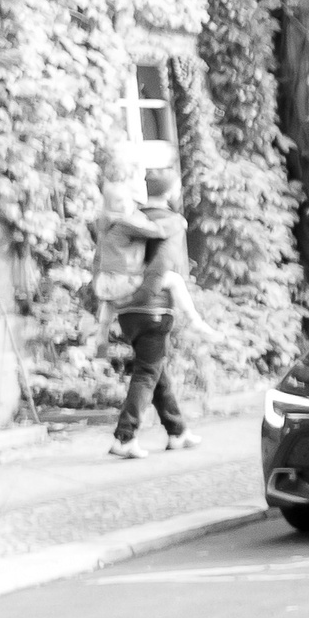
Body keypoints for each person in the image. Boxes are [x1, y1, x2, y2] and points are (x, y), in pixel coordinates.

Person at [93, 171, 208, 460]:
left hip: (125, 309)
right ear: (170, 193)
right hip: (152, 309)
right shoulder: (168, 221)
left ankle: (177, 431)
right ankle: (124, 437)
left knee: (156, 373)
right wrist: (146, 295)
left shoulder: (126, 219)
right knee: (147, 373)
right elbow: (161, 265)